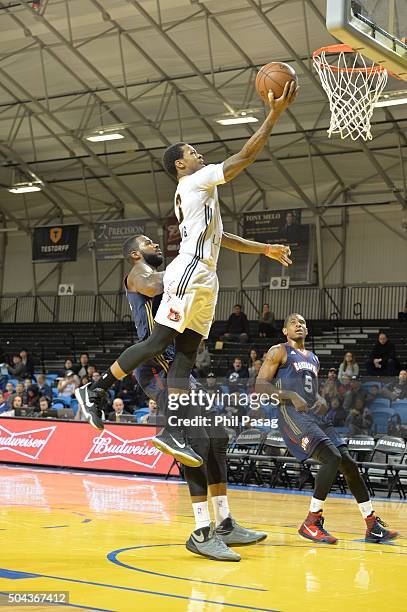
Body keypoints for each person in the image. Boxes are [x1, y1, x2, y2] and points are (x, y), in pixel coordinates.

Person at [75, 82, 297, 467]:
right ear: (181, 164)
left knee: (187, 356)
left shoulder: (198, 195)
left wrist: (263, 248)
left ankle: (171, 431)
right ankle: (97, 388)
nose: (200, 155)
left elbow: (221, 236)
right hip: (190, 269)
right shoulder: (194, 181)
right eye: (194, 153)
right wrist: (274, 115)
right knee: (160, 341)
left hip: (206, 277)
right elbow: (243, 157)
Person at [107, 233, 267, 561]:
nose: (155, 246)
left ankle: (224, 523)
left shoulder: (159, 271)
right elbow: (154, 287)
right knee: (196, 443)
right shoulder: (137, 275)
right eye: (148, 243)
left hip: (176, 365)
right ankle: (201, 531)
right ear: (135, 254)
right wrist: (190, 266)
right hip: (156, 366)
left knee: (218, 437)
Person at [255, 312, 398, 544]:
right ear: (285, 331)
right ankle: (311, 522)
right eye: (293, 322)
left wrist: (320, 400)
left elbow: (309, 390)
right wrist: (290, 395)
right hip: (292, 415)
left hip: (314, 416)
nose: (298, 325)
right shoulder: (278, 351)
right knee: (331, 458)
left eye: (302, 322)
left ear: (307, 330)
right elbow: (260, 385)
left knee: (349, 464)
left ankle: (372, 525)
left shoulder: (313, 358)